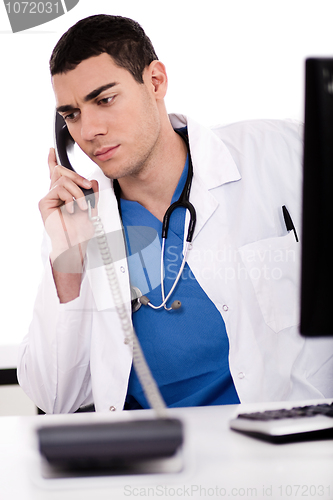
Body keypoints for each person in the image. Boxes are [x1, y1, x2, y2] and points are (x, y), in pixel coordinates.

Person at [18, 14, 333, 414]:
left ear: (155, 82)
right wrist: (67, 263)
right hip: (159, 460)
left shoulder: (283, 152)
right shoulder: (78, 223)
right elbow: (55, 398)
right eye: (72, 114)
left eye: (104, 99)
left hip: (287, 441)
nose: (89, 130)